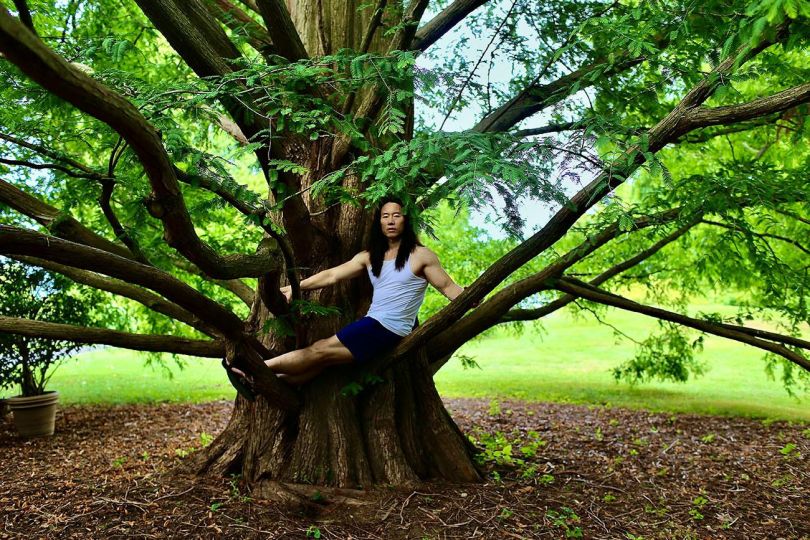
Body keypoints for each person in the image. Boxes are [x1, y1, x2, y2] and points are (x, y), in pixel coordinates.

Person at [226, 197, 466, 397]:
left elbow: (448, 287)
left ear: (406, 220)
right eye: (385, 216)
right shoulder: (370, 256)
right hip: (377, 326)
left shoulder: (421, 255)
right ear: (379, 223)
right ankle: (262, 385)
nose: (391, 220)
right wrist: (294, 288)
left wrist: (471, 297)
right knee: (322, 361)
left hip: (388, 327)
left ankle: (254, 369)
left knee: (318, 350)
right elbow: (332, 275)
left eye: (397, 215)